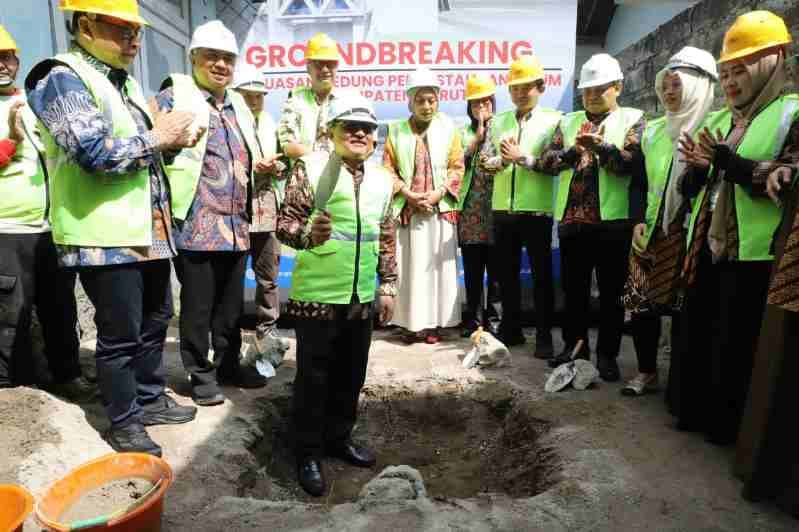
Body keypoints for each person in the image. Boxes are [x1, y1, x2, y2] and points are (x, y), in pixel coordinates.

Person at [26, 0, 199, 456]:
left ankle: (148, 397)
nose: (134, 41)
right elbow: (92, 152)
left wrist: (173, 143)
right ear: (84, 24)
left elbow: (142, 155)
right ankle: (123, 422)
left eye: (137, 32)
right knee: (120, 333)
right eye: (122, 30)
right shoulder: (59, 77)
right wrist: (159, 136)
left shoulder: (117, 81)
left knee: (156, 319)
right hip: (104, 234)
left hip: (148, 230)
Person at [670, 10, 795, 445]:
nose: (731, 83)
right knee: (701, 336)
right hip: (708, 245)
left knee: (737, 345)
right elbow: (693, 185)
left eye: (740, 71)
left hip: (756, 254)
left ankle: (729, 432)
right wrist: (698, 171)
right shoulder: (722, 120)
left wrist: (729, 163)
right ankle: (697, 417)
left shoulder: (790, 113)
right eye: (725, 74)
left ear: (774, 61)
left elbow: (787, 176)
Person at [276, 92, 397, 497]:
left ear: (374, 136)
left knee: (351, 374)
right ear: (333, 131)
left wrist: (388, 285)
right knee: (314, 378)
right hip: (318, 296)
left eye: (367, 128)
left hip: (361, 297)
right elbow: (284, 223)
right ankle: (307, 452)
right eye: (351, 126)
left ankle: (338, 438)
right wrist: (308, 235)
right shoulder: (310, 169)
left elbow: (386, 235)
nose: (359, 133)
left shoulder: (382, 178)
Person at [157, 20, 265, 407]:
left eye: (228, 58)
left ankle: (228, 366)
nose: (221, 64)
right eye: (212, 57)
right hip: (197, 225)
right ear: (194, 58)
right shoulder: (176, 95)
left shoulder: (235, 105)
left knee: (231, 308)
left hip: (236, 225)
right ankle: (199, 376)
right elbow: (159, 145)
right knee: (199, 309)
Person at [0, 25, 93, 399]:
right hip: (7, 229)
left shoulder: (35, 101)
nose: (2, 65)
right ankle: (10, 385)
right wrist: (11, 141)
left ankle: (66, 374)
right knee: (9, 313)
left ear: (17, 60)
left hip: (53, 227)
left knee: (60, 309)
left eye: (6, 57)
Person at [540, 54, 645, 381]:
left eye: (600, 89)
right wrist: (573, 152)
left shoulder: (634, 119)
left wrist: (602, 149)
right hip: (573, 223)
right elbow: (549, 161)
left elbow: (633, 164)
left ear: (618, 87)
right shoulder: (568, 121)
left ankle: (607, 355)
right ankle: (575, 347)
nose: (592, 96)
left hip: (612, 223)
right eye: (587, 90)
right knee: (574, 293)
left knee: (612, 294)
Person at [620, 47, 717, 396]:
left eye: (677, 85)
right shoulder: (653, 130)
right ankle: (647, 371)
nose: (669, 92)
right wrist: (636, 221)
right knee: (642, 304)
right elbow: (639, 183)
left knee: (683, 312)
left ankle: (681, 380)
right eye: (666, 85)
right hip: (650, 232)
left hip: (689, 234)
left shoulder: (713, 127)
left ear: (696, 86)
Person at [481, 55, 562, 357]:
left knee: (542, 277)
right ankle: (511, 330)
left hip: (536, 211)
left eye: (526, 87)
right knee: (506, 275)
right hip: (503, 210)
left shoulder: (555, 120)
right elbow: (485, 162)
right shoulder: (499, 121)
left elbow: (554, 164)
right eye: (514, 88)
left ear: (540, 87)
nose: (519, 93)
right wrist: (499, 161)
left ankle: (543, 336)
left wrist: (521, 158)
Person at [384, 67, 464, 344]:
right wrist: (408, 194)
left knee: (436, 268)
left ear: (438, 100)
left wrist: (438, 193)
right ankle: (410, 324)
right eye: (420, 100)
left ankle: (435, 325)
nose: (427, 105)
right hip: (409, 211)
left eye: (431, 99)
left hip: (439, 210)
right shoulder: (396, 131)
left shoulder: (449, 129)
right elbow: (388, 170)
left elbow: (457, 167)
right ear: (409, 101)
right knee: (410, 268)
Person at [233, 75, 291, 359]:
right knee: (230, 279)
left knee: (268, 276)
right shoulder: (230, 121)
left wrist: (277, 167)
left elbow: (284, 162)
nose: (254, 101)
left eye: (259, 96)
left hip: (267, 210)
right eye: (248, 95)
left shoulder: (270, 123)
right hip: (236, 211)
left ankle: (267, 329)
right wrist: (256, 167)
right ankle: (227, 335)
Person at [457, 74, 501, 338]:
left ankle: (494, 320)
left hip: (495, 210)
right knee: (473, 270)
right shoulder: (462, 133)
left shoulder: (504, 127)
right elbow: (456, 163)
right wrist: (477, 136)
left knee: (496, 269)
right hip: (471, 212)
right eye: (475, 104)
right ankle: (472, 320)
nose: (481, 108)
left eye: (485, 102)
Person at [278, 33, 339, 161]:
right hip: (305, 176)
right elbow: (288, 145)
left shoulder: (348, 101)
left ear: (337, 66)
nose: (325, 69)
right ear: (308, 68)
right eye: (319, 64)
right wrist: (323, 161)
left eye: (330, 63)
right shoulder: (295, 100)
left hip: (340, 175)